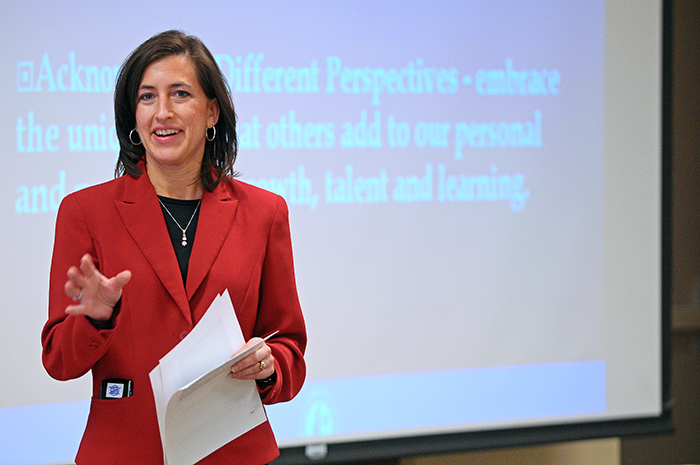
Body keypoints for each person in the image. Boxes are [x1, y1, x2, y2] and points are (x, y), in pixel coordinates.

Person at [41, 30, 307, 465]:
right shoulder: (84, 212)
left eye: (180, 94)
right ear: (133, 115)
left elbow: (290, 347)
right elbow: (59, 361)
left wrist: (270, 364)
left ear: (211, 113)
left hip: (234, 453)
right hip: (124, 453)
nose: (161, 112)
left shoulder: (265, 213)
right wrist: (95, 318)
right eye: (147, 97)